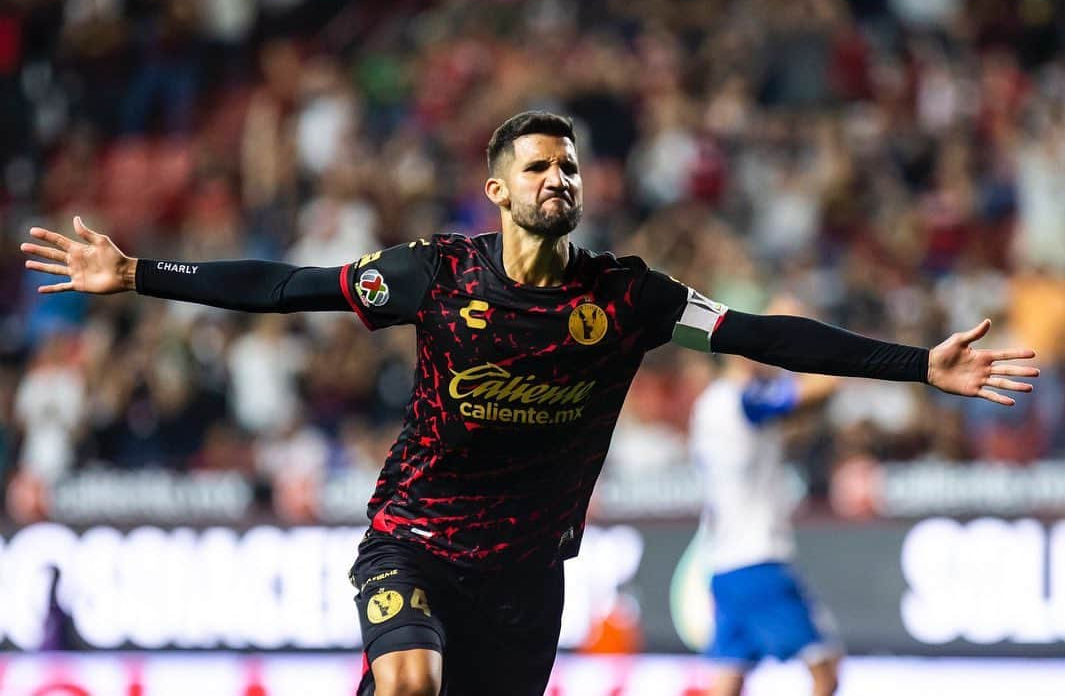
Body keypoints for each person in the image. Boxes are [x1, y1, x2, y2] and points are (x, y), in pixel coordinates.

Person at [21, 111, 1037, 696]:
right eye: (539, 165)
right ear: (498, 190)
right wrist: (142, 270)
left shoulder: (631, 297)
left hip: (526, 577)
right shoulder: (432, 274)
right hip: (411, 539)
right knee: (412, 679)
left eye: (572, 165)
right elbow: (290, 284)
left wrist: (919, 365)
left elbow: (759, 336)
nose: (561, 176)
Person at [690, 298, 843, 696]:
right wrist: (804, 334)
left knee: (729, 674)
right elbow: (821, 387)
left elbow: (784, 425)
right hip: (758, 559)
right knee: (825, 666)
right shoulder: (742, 400)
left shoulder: (709, 405)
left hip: (723, 562)